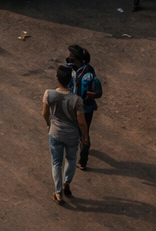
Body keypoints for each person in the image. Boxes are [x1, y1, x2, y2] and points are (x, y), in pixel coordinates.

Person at [43, 64, 88, 204]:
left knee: (56, 162)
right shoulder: (76, 100)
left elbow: (44, 113)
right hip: (72, 135)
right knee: (71, 159)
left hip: (55, 133)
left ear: (57, 78)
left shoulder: (49, 94)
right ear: (70, 80)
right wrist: (85, 136)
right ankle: (66, 183)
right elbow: (81, 121)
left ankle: (58, 193)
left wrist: (48, 124)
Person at [66, 44, 101, 171]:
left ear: (78, 59)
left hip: (85, 109)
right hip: (74, 106)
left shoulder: (87, 74)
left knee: (83, 133)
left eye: (72, 56)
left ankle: (83, 160)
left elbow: (97, 91)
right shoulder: (74, 69)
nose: (69, 58)